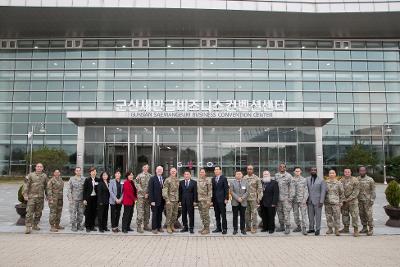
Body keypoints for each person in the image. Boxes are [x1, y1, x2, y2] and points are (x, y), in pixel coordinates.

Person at [23, 162, 48, 234]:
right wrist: (25, 194)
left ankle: (35, 225)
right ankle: (28, 227)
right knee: (29, 212)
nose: (39, 168)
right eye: (38, 166)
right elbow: (26, 185)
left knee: (38, 213)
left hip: (40, 197)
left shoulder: (44, 176)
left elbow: (47, 187)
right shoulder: (30, 175)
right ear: (35, 167)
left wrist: (47, 195)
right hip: (31, 197)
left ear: (42, 168)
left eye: (41, 167)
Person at [339, 168, 360, 237]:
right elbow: (339, 191)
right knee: (345, 215)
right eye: (345, 172)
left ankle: (356, 230)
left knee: (354, 215)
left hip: (353, 201)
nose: (347, 173)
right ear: (344, 173)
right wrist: (343, 199)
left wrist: (348, 199)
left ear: (351, 172)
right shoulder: (341, 180)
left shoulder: (355, 180)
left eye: (348, 172)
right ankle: (346, 228)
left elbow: (356, 191)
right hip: (344, 202)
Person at [306, 167, 326, 236]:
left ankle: (318, 229)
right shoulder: (307, 179)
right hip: (309, 201)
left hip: (318, 202)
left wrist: (321, 201)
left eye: (315, 170)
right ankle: (311, 228)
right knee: (310, 216)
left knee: (318, 216)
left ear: (316, 171)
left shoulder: (321, 180)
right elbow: (306, 190)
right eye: (312, 170)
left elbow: (323, 191)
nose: (313, 171)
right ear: (310, 171)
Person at [274, 163, 293, 234]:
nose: (282, 168)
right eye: (280, 167)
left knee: (286, 213)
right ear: (279, 168)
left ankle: (287, 227)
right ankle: (282, 226)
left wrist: (290, 198)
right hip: (278, 198)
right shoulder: (276, 175)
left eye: (283, 167)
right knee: (279, 213)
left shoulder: (289, 176)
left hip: (286, 198)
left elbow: (291, 187)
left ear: (285, 168)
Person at [243, 165, 263, 234]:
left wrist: (259, 198)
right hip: (245, 199)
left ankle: (254, 227)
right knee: (247, 213)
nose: (249, 170)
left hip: (254, 199)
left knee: (254, 213)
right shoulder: (244, 178)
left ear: (253, 170)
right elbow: (242, 188)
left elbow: (260, 189)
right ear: (247, 170)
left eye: (251, 169)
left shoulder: (257, 178)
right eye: (248, 169)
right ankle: (248, 227)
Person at [325, 169, 344, 236]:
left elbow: (341, 193)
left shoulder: (338, 183)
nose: (331, 174)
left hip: (336, 203)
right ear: (328, 174)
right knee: (328, 216)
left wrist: (341, 202)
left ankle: (337, 229)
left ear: (335, 174)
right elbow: (323, 193)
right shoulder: (325, 182)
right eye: (330, 173)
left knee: (337, 217)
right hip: (327, 202)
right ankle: (330, 229)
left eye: (333, 173)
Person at [357, 166, 376, 236]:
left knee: (369, 215)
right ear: (359, 172)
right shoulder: (357, 179)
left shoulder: (370, 179)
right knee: (361, 214)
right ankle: (364, 228)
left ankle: (371, 229)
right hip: (359, 200)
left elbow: (373, 190)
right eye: (360, 171)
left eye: (363, 171)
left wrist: (372, 199)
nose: (362, 172)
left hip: (367, 201)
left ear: (365, 171)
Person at [135, 164, 152, 233]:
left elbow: (151, 186)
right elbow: (136, 184)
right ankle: (139, 227)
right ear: (142, 168)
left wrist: (148, 194)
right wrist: (143, 193)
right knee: (140, 212)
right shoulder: (139, 176)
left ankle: (146, 225)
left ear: (148, 168)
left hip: (147, 197)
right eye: (144, 167)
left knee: (147, 212)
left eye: (147, 167)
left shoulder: (150, 176)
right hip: (141, 197)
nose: (145, 168)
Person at [291, 167, 309, 235]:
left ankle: (304, 228)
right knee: (295, 214)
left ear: (301, 171)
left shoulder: (304, 180)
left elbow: (306, 190)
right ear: (294, 172)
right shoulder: (291, 180)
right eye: (296, 171)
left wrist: (305, 200)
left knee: (303, 214)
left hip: (302, 200)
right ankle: (298, 226)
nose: (297, 172)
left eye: (298, 171)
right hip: (294, 200)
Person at [212, 166, 229, 234]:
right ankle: (218, 228)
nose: (216, 171)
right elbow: (212, 190)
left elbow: (226, 189)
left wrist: (226, 198)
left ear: (220, 171)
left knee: (223, 215)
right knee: (217, 215)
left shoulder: (224, 178)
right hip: (215, 200)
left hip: (222, 200)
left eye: (217, 169)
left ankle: (224, 228)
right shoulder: (213, 179)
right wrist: (211, 200)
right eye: (215, 170)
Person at [67, 167, 85, 232]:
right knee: (73, 213)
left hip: (81, 200)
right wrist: (70, 198)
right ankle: (73, 225)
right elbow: (69, 189)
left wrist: (85, 199)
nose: (78, 172)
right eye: (77, 171)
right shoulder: (72, 179)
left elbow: (86, 189)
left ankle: (79, 224)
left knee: (81, 213)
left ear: (81, 171)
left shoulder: (84, 179)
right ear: (75, 171)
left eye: (79, 171)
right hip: (74, 199)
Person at [230, 170, 248, 235]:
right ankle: (235, 229)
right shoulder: (232, 182)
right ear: (235, 175)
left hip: (243, 202)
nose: (238, 175)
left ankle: (242, 229)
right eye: (237, 174)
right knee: (235, 216)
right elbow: (231, 191)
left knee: (243, 216)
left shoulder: (245, 182)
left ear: (242, 175)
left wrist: (242, 198)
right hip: (235, 202)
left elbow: (247, 192)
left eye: (240, 174)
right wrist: (237, 198)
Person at [148, 166, 165, 234]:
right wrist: (152, 201)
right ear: (156, 170)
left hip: (162, 200)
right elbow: (150, 190)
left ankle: (159, 227)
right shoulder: (152, 179)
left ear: (162, 171)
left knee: (160, 214)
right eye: (158, 169)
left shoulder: (164, 178)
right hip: (154, 201)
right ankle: (154, 228)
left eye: (161, 170)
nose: (159, 171)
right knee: (155, 214)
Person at [162, 167, 180, 234]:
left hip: (176, 200)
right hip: (170, 200)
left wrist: (179, 200)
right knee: (169, 214)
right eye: (172, 171)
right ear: (170, 172)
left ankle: (172, 226)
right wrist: (167, 200)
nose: (173, 172)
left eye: (174, 171)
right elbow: (164, 190)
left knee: (175, 214)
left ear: (176, 172)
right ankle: (168, 226)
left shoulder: (177, 180)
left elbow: (178, 190)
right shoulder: (167, 180)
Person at [83, 166, 99, 232]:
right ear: (90, 173)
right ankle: (87, 227)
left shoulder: (98, 180)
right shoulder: (87, 180)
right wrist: (84, 199)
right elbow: (84, 190)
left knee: (94, 213)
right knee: (88, 213)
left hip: (95, 198)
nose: (93, 173)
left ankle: (92, 226)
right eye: (92, 172)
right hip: (88, 198)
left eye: (95, 171)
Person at [197, 168, 212, 235]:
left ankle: (207, 228)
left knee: (206, 215)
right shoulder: (198, 180)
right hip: (199, 200)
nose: (201, 173)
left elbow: (210, 191)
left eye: (203, 172)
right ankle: (204, 227)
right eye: (200, 172)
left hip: (205, 201)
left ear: (205, 173)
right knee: (201, 215)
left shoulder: (208, 180)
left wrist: (209, 201)